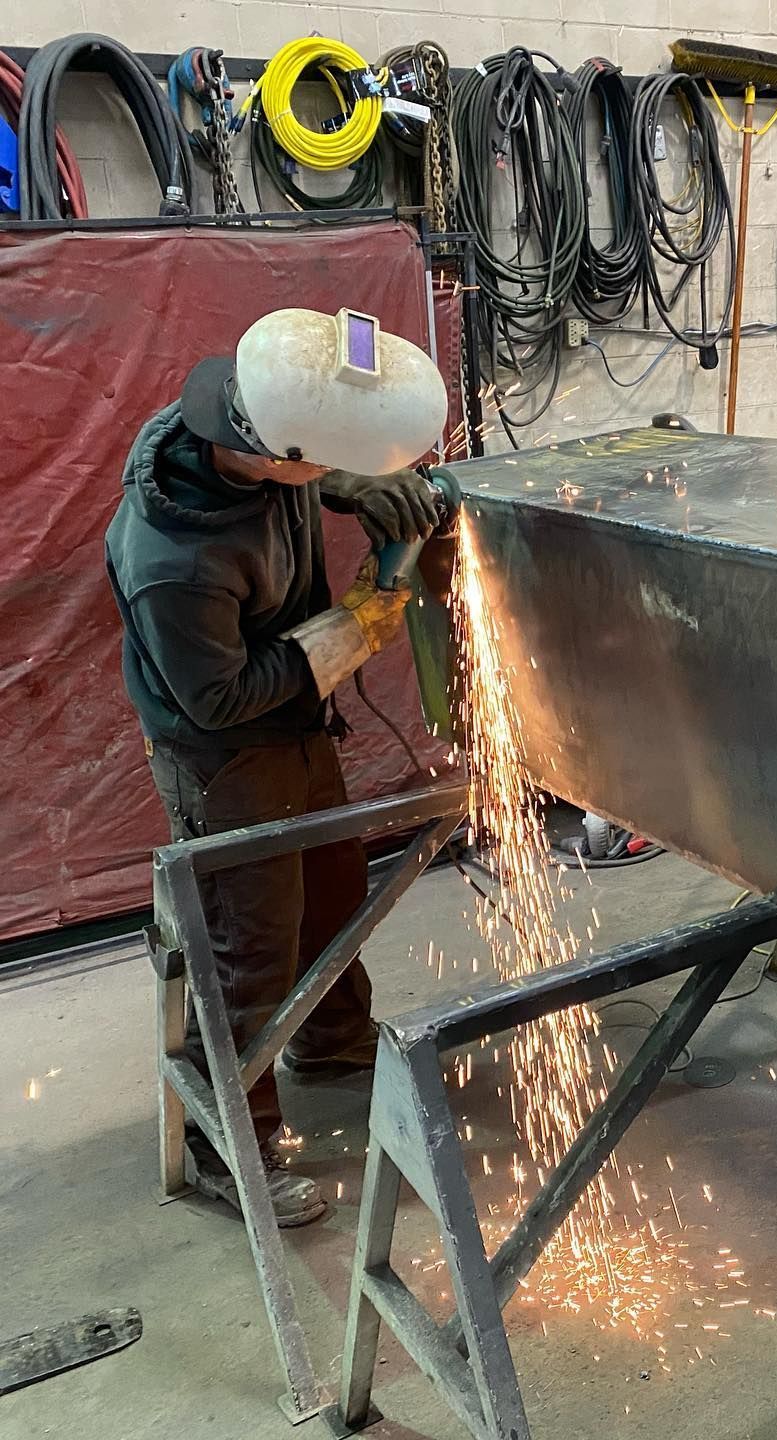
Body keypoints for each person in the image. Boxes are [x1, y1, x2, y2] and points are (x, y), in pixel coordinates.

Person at [105, 306, 450, 1226]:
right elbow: (215, 698)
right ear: (273, 457)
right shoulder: (173, 559)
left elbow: (311, 422)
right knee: (250, 946)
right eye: (318, 465)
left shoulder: (247, 408)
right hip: (223, 753)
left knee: (331, 893)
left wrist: (350, 481)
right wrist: (360, 625)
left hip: (296, 726)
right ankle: (228, 1142)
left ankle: (331, 1044)